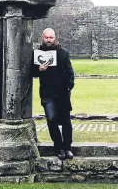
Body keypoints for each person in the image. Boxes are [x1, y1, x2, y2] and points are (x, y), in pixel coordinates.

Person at [31, 28, 75, 160]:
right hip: (47, 94)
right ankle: (59, 147)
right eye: (46, 38)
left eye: (51, 37)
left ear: (55, 38)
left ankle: (67, 148)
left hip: (62, 93)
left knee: (66, 121)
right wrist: (39, 69)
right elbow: (31, 73)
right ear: (42, 38)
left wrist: (68, 87)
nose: (49, 40)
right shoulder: (36, 54)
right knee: (51, 119)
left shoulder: (63, 53)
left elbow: (70, 73)